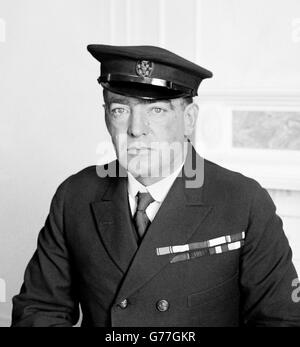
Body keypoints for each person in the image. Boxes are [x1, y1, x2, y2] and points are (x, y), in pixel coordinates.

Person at [11, 44, 300, 327]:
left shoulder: (243, 201)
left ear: (189, 119)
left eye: (157, 111)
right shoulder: (75, 195)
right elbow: (40, 309)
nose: (136, 129)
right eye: (120, 110)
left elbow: (282, 319)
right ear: (106, 117)